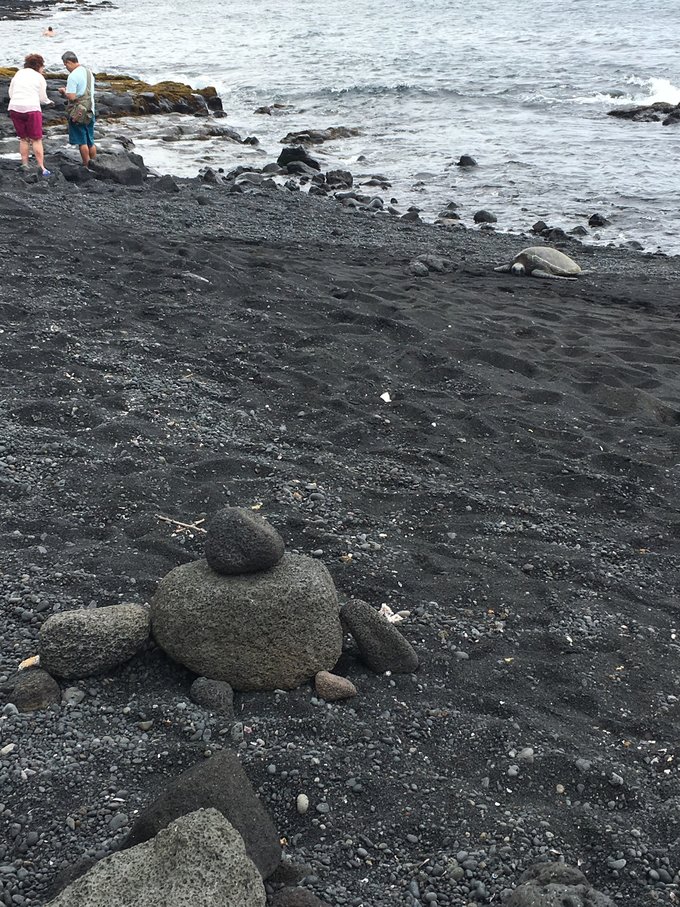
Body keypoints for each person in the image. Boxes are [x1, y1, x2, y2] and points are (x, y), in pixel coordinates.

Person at [8, 53, 53, 176]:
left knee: (23, 138)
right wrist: (49, 102)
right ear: (39, 66)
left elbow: (11, 92)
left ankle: (25, 164)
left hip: (15, 107)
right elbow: (43, 98)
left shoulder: (18, 73)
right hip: (32, 109)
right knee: (36, 139)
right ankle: (41, 167)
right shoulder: (39, 77)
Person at [58, 51, 97, 167]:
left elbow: (71, 97)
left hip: (78, 112)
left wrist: (64, 91)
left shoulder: (73, 76)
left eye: (65, 65)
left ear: (68, 62)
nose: (66, 68)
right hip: (90, 110)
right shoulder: (88, 72)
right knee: (90, 140)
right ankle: (95, 163)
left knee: (82, 141)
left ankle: (86, 164)